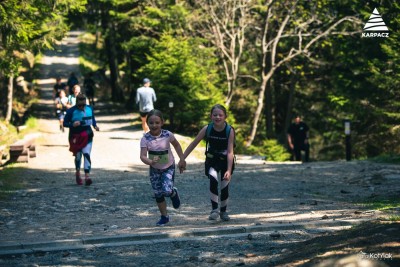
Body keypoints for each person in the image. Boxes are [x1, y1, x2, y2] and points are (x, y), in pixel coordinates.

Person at [182, 104, 235, 221]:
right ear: (211, 116)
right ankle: (214, 209)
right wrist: (182, 158)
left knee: (224, 186)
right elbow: (194, 143)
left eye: (220, 115)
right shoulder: (207, 129)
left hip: (225, 161)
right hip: (212, 160)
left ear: (225, 116)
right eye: (215, 115)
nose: (217, 117)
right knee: (213, 180)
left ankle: (224, 211)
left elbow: (230, 152)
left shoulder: (229, 130)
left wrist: (229, 170)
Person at [139, 109, 186, 226]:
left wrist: (182, 159)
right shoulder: (145, 139)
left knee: (166, 190)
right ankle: (164, 216)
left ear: (162, 122)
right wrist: (150, 161)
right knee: (158, 193)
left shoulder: (167, 135)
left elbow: (177, 145)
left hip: (168, 166)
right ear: (147, 123)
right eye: (151, 123)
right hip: (154, 169)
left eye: (157, 123)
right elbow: (142, 156)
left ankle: (173, 193)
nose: (154, 125)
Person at [63, 94, 100, 186]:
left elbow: (93, 120)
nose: (81, 107)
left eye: (83, 105)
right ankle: (78, 172)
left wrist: (95, 126)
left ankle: (87, 176)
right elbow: (65, 123)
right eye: (79, 105)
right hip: (75, 136)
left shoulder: (89, 109)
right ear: (76, 104)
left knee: (87, 154)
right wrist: (72, 124)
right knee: (78, 156)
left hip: (87, 134)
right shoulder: (71, 111)